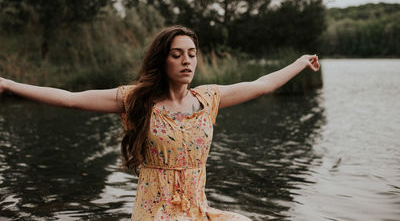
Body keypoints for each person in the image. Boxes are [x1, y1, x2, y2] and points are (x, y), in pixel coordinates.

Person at [0, 25, 320, 220]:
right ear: (162, 59)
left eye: (192, 54)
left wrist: (298, 62)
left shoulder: (208, 98)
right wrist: (8, 85)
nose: (186, 61)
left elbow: (261, 84)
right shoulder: (136, 99)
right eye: (177, 54)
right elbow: (70, 98)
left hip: (197, 209)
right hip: (156, 213)